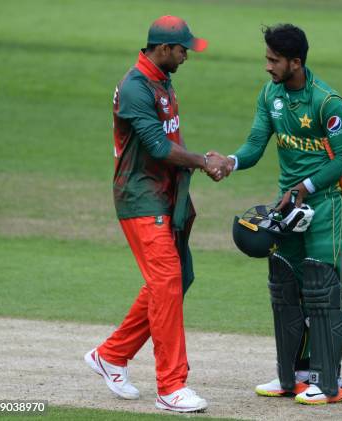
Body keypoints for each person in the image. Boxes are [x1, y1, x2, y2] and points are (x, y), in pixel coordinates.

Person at [84, 15, 231, 413]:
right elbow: (158, 147)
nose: (186, 56)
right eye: (183, 49)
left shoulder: (163, 80)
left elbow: (170, 139)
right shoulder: (135, 87)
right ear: (163, 48)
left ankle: (111, 356)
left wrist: (189, 186)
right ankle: (171, 387)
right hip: (139, 196)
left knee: (175, 279)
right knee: (166, 281)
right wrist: (203, 161)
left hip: (164, 194)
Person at [225, 23, 342, 405]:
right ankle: (293, 377)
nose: (267, 66)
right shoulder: (271, 94)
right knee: (286, 287)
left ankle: (329, 381)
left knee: (322, 292)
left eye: (274, 60)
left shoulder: (327, 102)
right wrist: (230, 162)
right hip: (289, 208)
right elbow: (254, 144)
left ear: (295, 62)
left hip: (325, 205)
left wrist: (305, 187)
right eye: (266, 58)